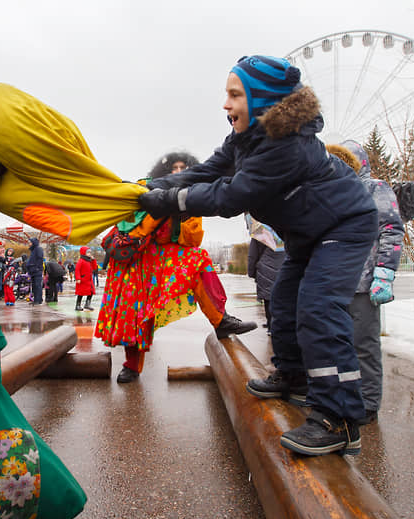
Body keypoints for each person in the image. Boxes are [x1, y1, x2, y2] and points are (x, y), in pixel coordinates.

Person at [140, 55, 378, 456]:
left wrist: (167, 200)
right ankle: (293, 376)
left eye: (235, 95)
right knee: (284, 302)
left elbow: (230, 195)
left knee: (318, 308)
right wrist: (149, 185)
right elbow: (207, 171)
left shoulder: (286, 147)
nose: (225, 104)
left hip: (344, 226)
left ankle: (340, 419)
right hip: (308, 233)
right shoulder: (246, 139)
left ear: (263, 101)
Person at [98, 152, 257, 384]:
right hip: (138, 257)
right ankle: (131, 365)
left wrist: (177, 216)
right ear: (163, 173)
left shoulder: (192, 200)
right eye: (175, 167)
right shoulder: (144, 189)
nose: (179, 171)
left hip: (164, 257)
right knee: (134, 311)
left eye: (184, 167)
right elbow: (128, 224)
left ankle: (221, 320)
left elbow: (192, 241)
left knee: (199, 260)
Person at [336, 140, 404, 426]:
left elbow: (391, 228)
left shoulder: (375, 188)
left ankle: (368, 403)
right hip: (337, 284)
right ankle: (346, 397)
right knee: (340, 345)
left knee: (364, 345)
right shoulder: (334, 192)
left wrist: (384, 272)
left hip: (364, 283)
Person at [246, 216, 285, 330]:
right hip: (285, 266)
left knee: (268, 299)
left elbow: (252, 256)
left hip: (266, 270)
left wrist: (252, 272)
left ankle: (270, 325)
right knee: (284, 298)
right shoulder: (284, 227)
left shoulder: (260, 231)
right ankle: (281, 324)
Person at [74, 246, 95, 311]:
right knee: (81, 293)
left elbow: (94, 267)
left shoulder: (89, 261)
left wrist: (93, 260)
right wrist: (78, 278)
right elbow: (77, 270)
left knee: (91, 292)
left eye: (90, 252)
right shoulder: (81, 261)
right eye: (88, 252)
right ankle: (78, 305)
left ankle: (87, 304)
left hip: (89, 280)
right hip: (82, 280)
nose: (89, 254)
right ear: (84, 253)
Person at [27, 237, 44, 305]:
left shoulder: (38, 249)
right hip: (33, 271)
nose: (29, 244)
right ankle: (36, 299)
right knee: (34, 286)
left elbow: (40, 259)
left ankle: (38, 300)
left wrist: (37, 267)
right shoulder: (33, 250)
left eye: (30, 242)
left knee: (37, 285)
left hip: (37, 271)